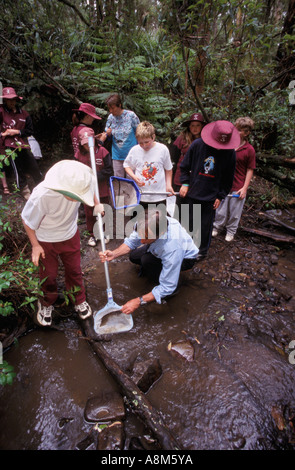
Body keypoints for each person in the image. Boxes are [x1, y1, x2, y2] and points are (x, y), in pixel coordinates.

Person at [21, 160, 103, 327]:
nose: (76, 200)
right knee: (49, 275)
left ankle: (78, 299)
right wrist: (35, 245)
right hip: (46, 239)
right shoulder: (42, 196)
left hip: (70, 234)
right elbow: (27, 220)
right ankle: (45, 303)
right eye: (74, 195)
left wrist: (96, 202)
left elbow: (91, 187)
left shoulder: (82, 181)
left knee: (74, 270)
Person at [98, 207, 199, 315]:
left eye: (146, 237)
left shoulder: (172, 248)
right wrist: (114, 254)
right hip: (158, 247)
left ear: (161, 233)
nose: (141, 241)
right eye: (141, 235)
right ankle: (156, 270)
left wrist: (138, 301)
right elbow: (132, 242)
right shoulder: (145, 222)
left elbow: (167, 286)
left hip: (185, 258)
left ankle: (172, 287)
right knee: (134, 256)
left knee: (147, 261)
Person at [180, 120, 239, 260]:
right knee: (188, 222)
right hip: (193, 191)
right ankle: (185, 247)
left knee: (206, 226)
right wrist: (185, 183)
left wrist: (220, 196)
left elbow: (228, 178)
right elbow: (184, 166)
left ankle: (201, 251)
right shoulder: (197, 145)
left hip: (211, 196)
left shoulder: (230, 153)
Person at [212, 117, 256, 242]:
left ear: (246, 133)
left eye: (240, 130)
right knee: (220, 209)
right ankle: (217, 227)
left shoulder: (249, 150)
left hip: (238, 185)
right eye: (236, 129)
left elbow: (250, 169)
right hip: (224, 183)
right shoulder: (227, 145)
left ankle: (231, 231)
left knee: (235, 212)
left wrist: (244, 188)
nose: (237, 132)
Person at [0, 87, 43, 199]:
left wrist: (17, 131)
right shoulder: (1, 112)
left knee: (34, 166)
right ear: (5, 100)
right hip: (9, 146)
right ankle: (25, 192)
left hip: (23, 145)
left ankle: (42, 188)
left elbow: (29, 131)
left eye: (13, 99)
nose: (11, 102)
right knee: (18, 169)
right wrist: (3, 134)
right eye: (9, 100)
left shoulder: (24, 114)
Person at [75, 127, 113, 246]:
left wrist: (95, 176)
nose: (87, 145)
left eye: (88, 142)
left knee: (104, 210)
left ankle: (106, 232)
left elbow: (109, 170)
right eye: (84, 143)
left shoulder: (103, 152)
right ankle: (93, 235)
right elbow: (76, 171)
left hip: (102, 189)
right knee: (90, 212)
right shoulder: (78, 154)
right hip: (87, 190)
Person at [123, 121, 174, 207]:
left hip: (159, 195)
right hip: (140, 194)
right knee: (140, 219)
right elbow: (126, 165)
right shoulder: (134, 150)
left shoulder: (162, 149)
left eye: (147, 142)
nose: (144, 145)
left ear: (153, 137)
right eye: (140, 143)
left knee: (158, 219)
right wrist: (134, 177)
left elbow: (168, 169)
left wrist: (168, 185)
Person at [103, 93, 140, 177]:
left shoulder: (131, 116)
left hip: (131, 153)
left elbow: (139, 133)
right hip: (117, 155)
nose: (111, 111)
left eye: (113, 108)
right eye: (109, 108)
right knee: (118, 179)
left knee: (131, 178)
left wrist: (139, 149)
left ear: (119, 105)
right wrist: (108, 134)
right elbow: (107, 137)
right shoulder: (110, 118)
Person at [171, 113, 206, 192]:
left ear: (202, 126)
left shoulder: (205, 140)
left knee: (195, 204)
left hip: (198, 177)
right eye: (192, 125)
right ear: (189, 126)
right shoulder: (182, 138)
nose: (195, 128)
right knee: (181, 203)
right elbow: (174, 156)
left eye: (198, 125)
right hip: (181, 176)